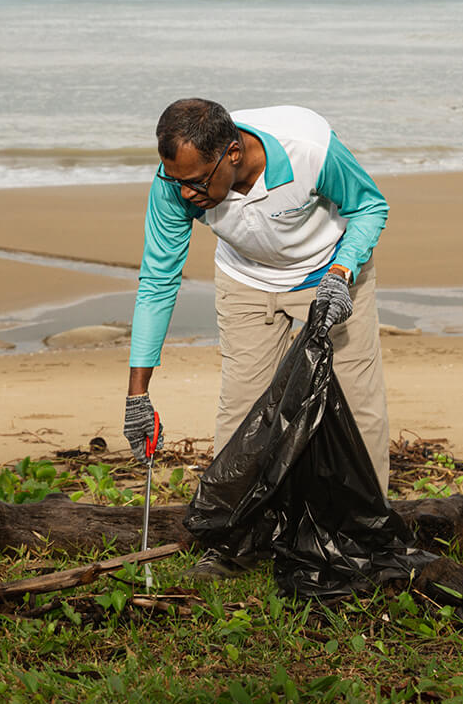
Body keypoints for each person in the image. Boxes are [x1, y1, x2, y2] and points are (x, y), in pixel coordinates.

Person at [121, 98, 390, 578]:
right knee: (242, 410)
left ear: (233, 154)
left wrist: (342, 273)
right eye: (175, 181)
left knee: (356, 406)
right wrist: (136, 395)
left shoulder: (309, 149)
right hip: (248, 283)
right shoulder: (176, 181)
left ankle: (362, 538)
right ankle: (235, 544)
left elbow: (370, 205)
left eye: (197, 182)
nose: (185, 195)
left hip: (332, 271)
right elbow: (158, 280)